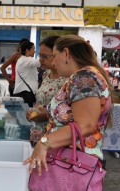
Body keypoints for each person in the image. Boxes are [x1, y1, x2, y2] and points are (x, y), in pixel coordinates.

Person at [23, 35, 112, 179]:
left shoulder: (84, 78)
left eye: (55, 56)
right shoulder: (81, 77)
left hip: (75, 166)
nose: (53, 62)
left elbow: (85, 126)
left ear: (66, 53)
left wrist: (45, 142)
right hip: (68, 163)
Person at [26, 36, 66, 125]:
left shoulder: (68, 79)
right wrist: (33, 111)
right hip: (39, 129)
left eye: (45, 56)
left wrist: (47, 115)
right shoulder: (46, 74)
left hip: (56, 132)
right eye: (40, 55)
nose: (40, 59)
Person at [13, 41, 40, 107]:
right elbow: (39, 62)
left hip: (23, 92)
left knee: (21, 115)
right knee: (25, 115)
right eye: (33, 49)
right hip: (25, 93)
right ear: (27, 50)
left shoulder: (21, 60)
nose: (34, 51)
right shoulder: (27, 60)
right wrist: (41, 54)